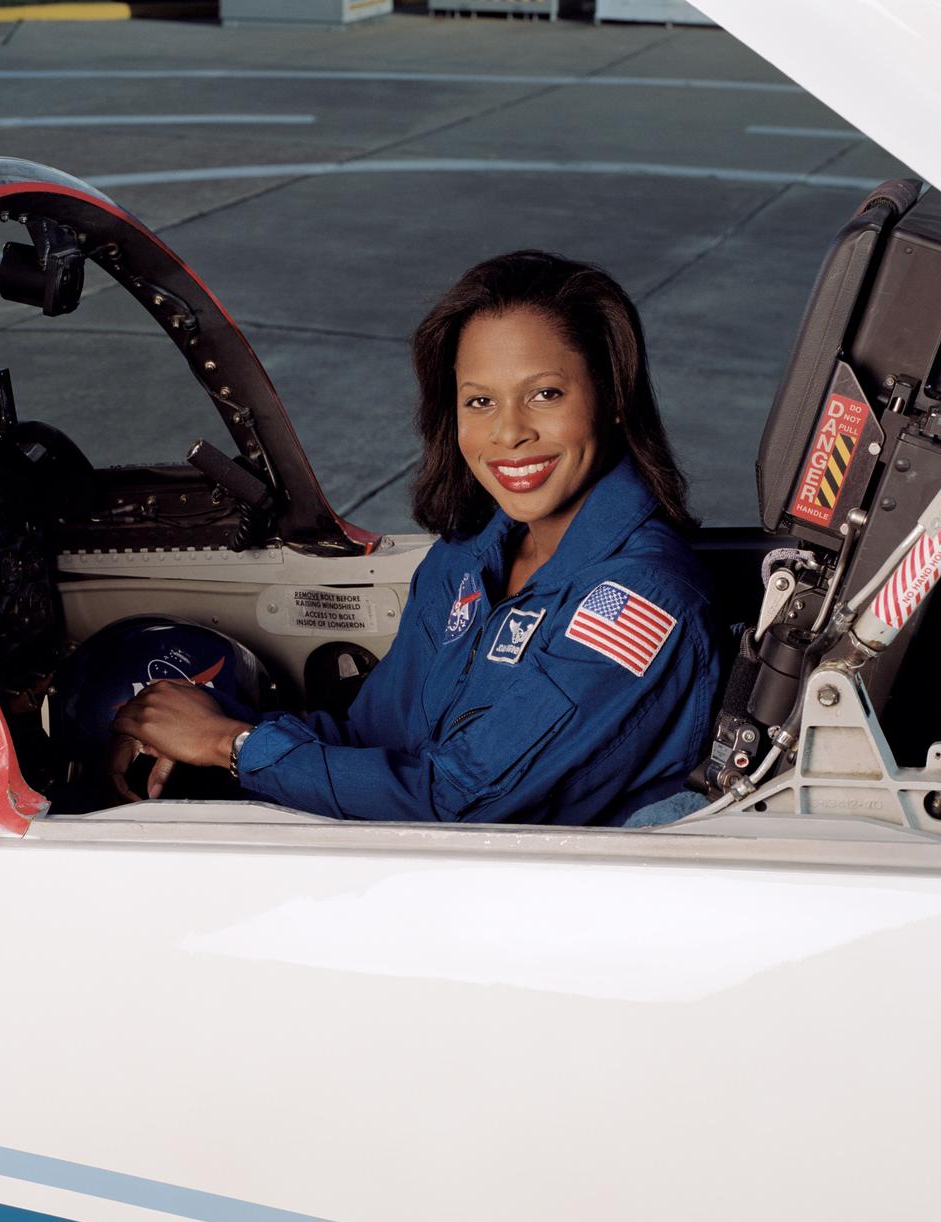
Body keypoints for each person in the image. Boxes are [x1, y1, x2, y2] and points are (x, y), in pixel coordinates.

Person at [109, 251, 720, 825]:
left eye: (545, 394)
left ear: (612, 398)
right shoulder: (467, 558)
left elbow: (460, 801)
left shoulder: (637, 601)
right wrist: (196, 727)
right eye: (479, 401)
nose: (509, 433)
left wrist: (229, 745)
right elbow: (378, 739)